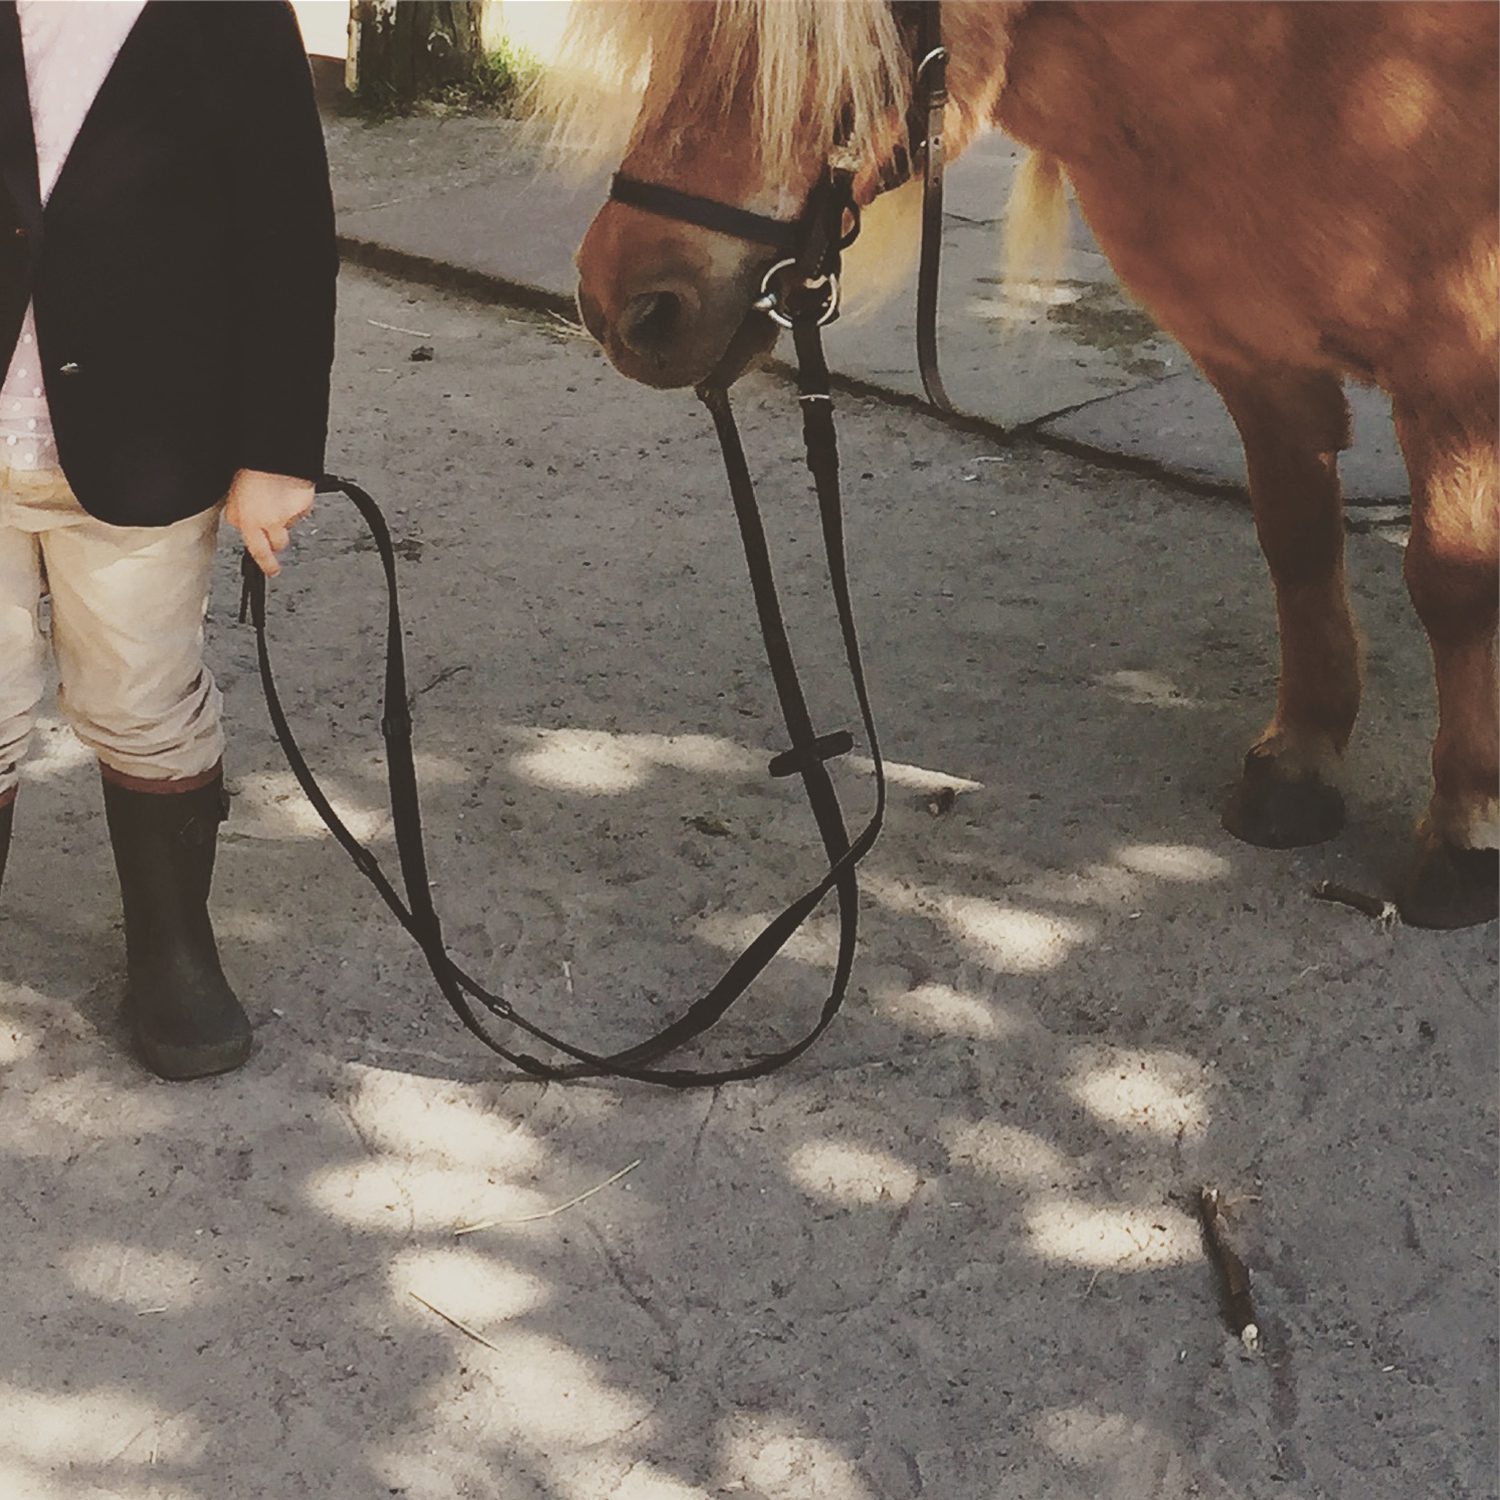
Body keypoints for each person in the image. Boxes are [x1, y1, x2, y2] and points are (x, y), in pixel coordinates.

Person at [0, 0, 337, 1079]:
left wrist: (277, 450)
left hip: (145, 436)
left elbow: (289, 233)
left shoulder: (226, 13)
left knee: (142, 692)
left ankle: (171, 945)